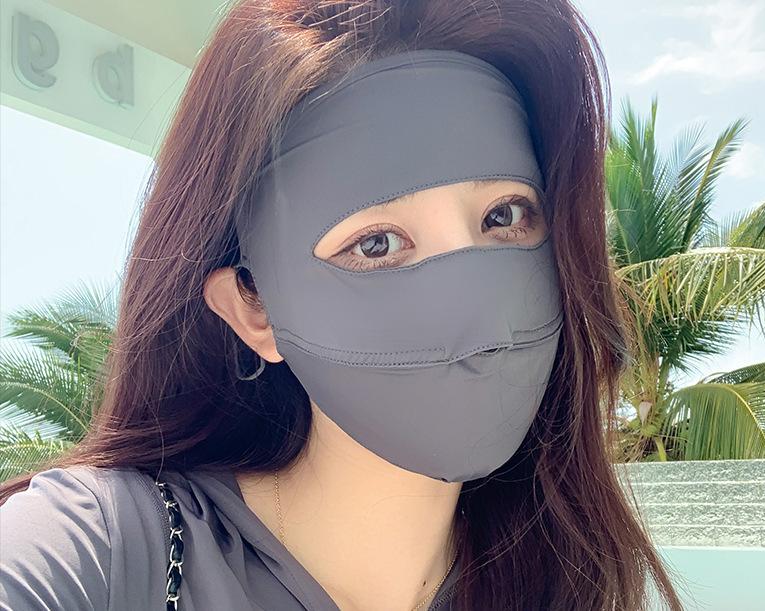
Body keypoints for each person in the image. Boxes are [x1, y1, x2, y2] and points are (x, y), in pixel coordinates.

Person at [0, 1, 684, 610]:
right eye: (377, 243)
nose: (471, 302)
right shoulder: (106, 551)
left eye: (503, 216)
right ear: (253, 310)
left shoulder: (570, 577)